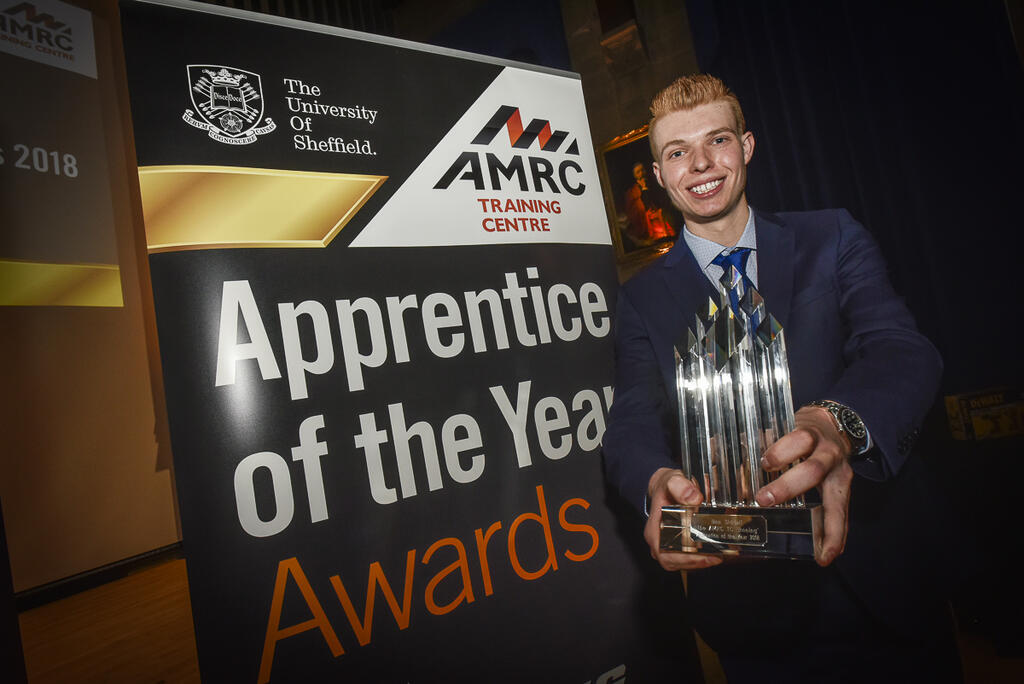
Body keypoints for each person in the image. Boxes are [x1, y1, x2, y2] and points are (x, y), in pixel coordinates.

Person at [602, 74, 962, 682]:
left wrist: (837, 423)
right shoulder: (640, 299)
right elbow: (633, 418)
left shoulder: (832, 236)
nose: (700, 164)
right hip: (750, 614)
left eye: (717, 140)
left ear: (747, 147)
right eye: (676, 152)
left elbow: (901, 349)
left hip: (882, 580)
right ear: (660, 177)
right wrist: (656, 480)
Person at [622, 161, 674, 246]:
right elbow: (632, 208)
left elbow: (661, 197)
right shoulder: (632, 192)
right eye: (638, 172)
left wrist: (658, 208)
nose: (641, 173)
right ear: (635, 175)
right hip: (644, 217)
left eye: (642, 170)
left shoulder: (653, 184)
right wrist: (644, 210)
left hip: (658, 213)